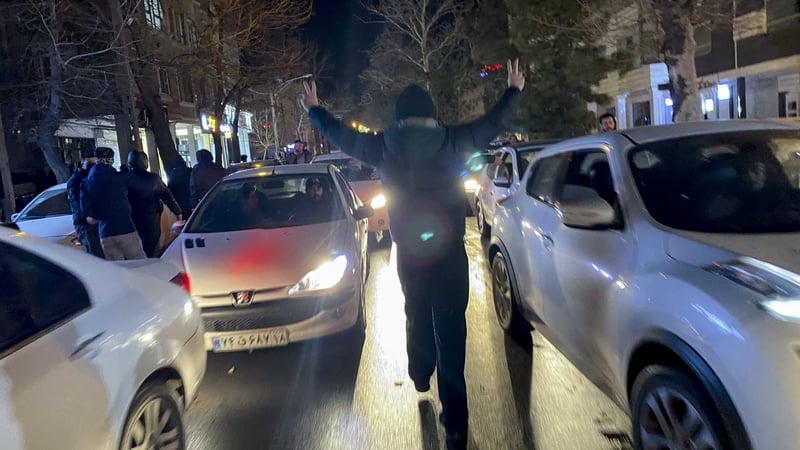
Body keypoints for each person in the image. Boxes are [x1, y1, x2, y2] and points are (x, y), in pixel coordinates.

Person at [301, 59, 525, 450]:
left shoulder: (382, 144)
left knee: (416, 313)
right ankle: (456, 424)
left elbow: (341, 136)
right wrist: (513, 91)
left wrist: (315, 110)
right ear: (431, 114)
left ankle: (421, 372)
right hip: (449, 253)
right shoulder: (453, 140)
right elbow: (491, 124)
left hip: (410, 254)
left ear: (400, 116)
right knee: (451, 329)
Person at [80, 147, 146, 261]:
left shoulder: (86, 182)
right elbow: (136, 179)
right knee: (139, 263)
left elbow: (85, 209)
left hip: (105, 232)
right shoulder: (118, 177)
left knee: (116, 267)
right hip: (125, 227)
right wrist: (126, 169)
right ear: (111, 159)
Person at [127, 151, 183, 257]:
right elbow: (167, 196)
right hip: (151, 218)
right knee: (152, 247)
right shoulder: (153, 179)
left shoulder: (125, 179)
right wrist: (177, 212)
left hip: (132, 219)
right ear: (145, 162)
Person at [66, 152, 104, 258]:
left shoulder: (93, 177)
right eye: (90, 163)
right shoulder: (76, 180)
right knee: (95, 256)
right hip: (86, 224)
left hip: (96, 221)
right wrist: (86, 217)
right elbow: (76, 202)